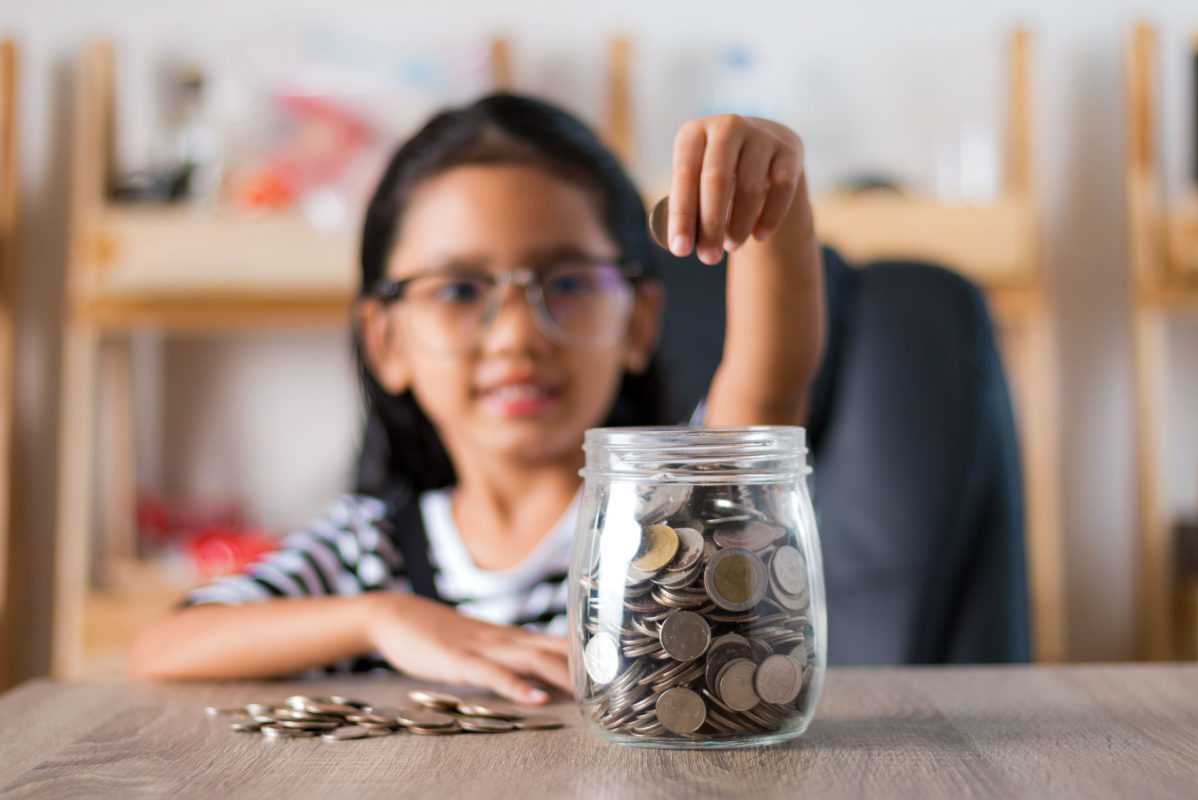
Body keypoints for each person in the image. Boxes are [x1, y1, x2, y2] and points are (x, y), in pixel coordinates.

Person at [127, 93, 825, 705]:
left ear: (640, 320)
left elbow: (772, 377)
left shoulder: (681, 509)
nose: (517, 336)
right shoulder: (371, 554)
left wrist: (773, 201)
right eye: (459, 290)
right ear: (386, 342)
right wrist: (383, 618)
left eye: (569, 282)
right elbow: (162, 648)